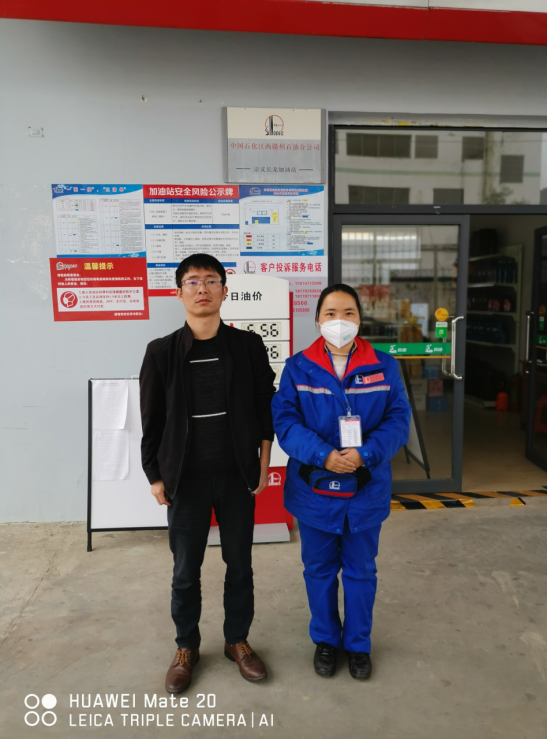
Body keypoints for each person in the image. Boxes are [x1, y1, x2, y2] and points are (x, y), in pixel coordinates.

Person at [139, 253, 275, 694]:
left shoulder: (247, 346)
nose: (203, 288)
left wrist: (264, 463)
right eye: (193, 281)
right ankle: (186, 647)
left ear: (224, 291)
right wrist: (154, 476)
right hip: (186, 480)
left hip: (236, 477)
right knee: (185, 570)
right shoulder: (161, 352)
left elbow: (264, 407)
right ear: (178, 292)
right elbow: (151, 421)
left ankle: (237, 640)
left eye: (211, 280)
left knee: (240, 564)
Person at [271, 284, 411, 680]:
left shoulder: (385, 366)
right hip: (314, 489)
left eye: (348, 312)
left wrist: (365, 453)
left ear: (360, 319)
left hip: (365, 489)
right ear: (318, 319)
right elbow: (285, 422)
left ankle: (358, 644)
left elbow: (398, 421)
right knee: (318, 569)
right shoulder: (299, 367)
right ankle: (326, 641)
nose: (339, 321)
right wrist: (323, 455)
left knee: (361, 571)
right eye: (331, 313)